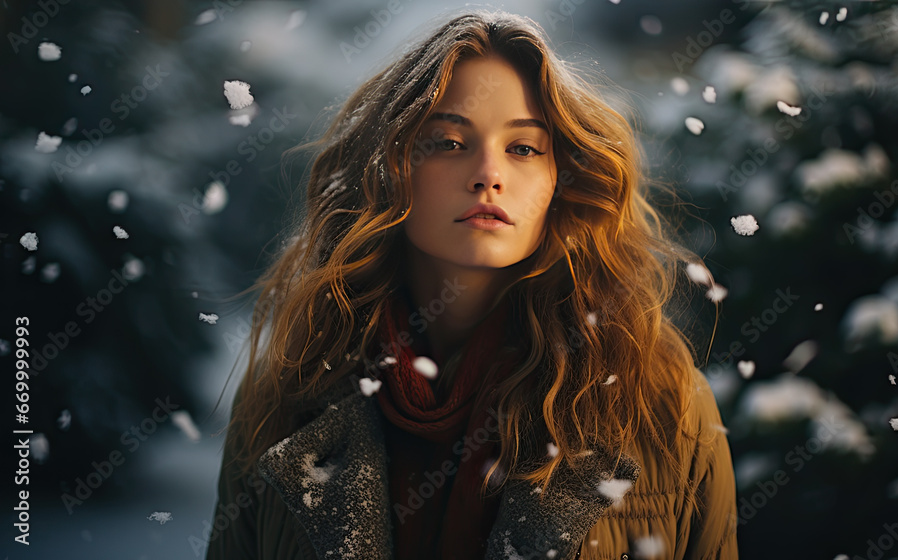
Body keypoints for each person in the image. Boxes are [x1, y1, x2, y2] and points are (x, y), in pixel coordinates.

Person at [205, 9, 738, 560]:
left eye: (524, 148)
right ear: (390, 168)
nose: (489, 172)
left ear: (561, 180)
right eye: (449, 142)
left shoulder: (658, 399)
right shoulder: (289, 396)